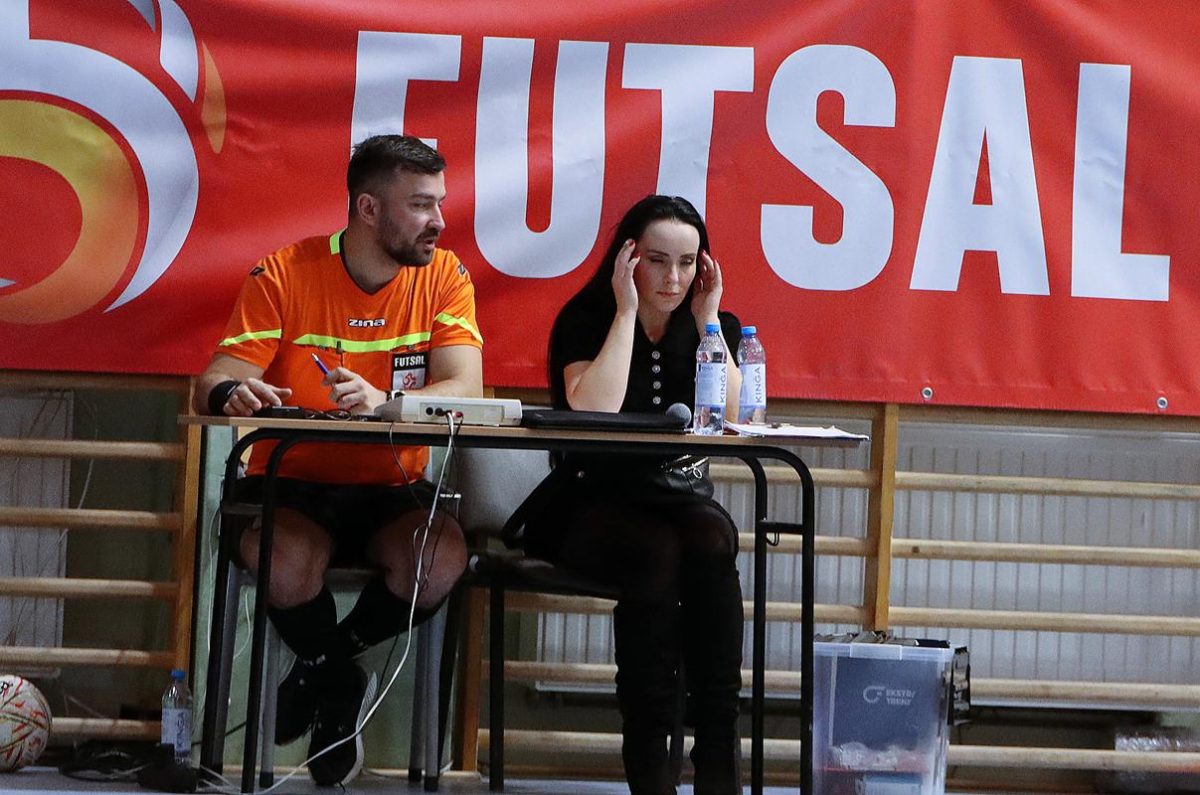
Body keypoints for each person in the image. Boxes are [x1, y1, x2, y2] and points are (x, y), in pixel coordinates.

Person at [193, 135, 482, 786]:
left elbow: (466, 387)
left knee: (442, 559)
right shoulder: (284, 272)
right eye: (421, 204)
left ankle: (323, 666)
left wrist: (387, 403)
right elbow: (212, 379)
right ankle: (340, 679)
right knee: (283, 558)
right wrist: (230, 391)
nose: (439, 220)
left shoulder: (446, 276)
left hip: (393, 484)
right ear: (368, 209)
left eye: (439, 202)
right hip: (293, 481)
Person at [529, 195, 745, 795]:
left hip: (676, 498)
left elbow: (735, 415)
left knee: (713, 536)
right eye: (657, 261)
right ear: (628, 259)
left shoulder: (711, 323)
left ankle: (718, 748)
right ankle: (651, 766)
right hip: (588, 502)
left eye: (687, 262)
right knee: (656, 551)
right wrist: (626, 311)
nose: (673, 278)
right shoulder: (587, 316)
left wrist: (709, 319)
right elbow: (593, 406)